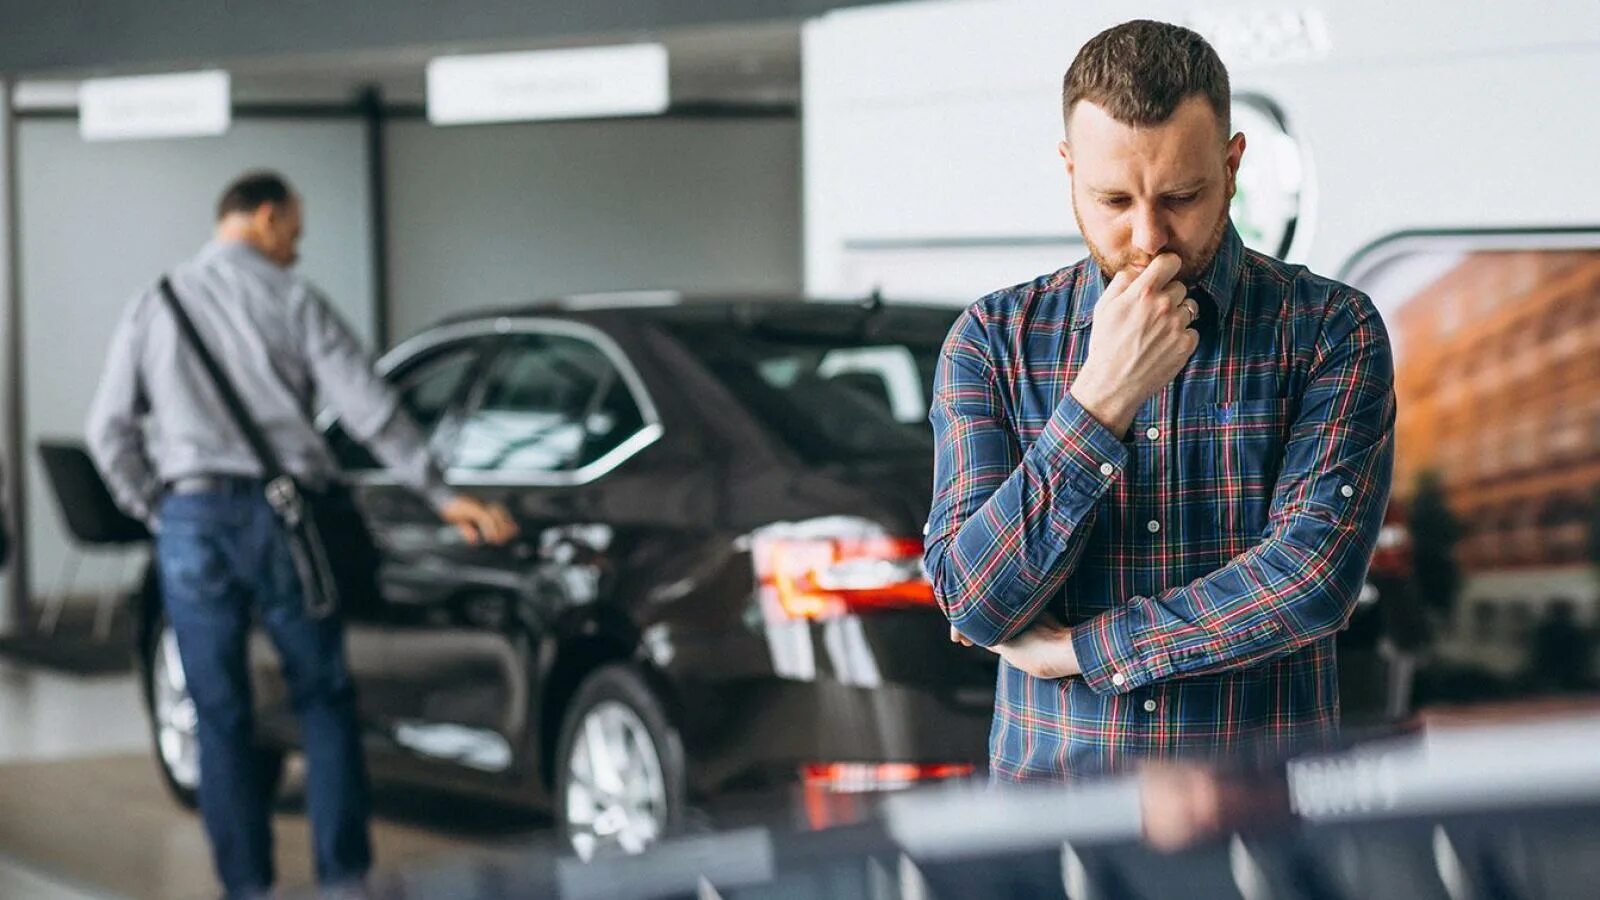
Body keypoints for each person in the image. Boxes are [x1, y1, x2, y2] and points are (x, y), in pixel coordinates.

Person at [925, 20, 1395, 781]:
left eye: (1181, 195)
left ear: (1234, 164)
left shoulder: (1330, 331)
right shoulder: (993, 340)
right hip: (1054, 836)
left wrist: (1082, 650)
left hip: (1259, 826)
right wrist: (1102, 399)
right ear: (1069, 169)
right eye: (1113, 198)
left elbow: (1311, 580)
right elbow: (975, 604)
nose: (1149, 236)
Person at [86, 171, 518, 898]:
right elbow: (368, 408)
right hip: (284, 520)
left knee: (218, 711)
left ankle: (247, 887)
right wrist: (442, 494)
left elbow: (108, 431)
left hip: (191, 523)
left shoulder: (153, 305)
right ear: (261, 218)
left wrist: (161, 509)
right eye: (293, 230)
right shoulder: (292, 300)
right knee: (322, 697)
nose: (297, 247)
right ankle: (342, 878)